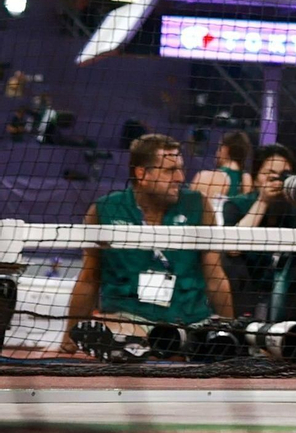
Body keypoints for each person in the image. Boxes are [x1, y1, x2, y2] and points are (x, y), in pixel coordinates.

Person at [59, 134, 233, 356]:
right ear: (141, 174)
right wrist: (68, 337)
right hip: (130, 319)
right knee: (116, 332)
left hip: (191, 321)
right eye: (169, 170)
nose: (180, 178)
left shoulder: (198, 205)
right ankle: (130, 346)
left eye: (181, 169)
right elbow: (89, 278)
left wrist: (229, 328)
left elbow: (214, 274)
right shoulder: (104, 210)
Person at [222, 144, 296, 323]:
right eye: (269, 174)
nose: (277, 180)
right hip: (248, 283)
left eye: (285, 174)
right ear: (255, 179)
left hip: (289, 291)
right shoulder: (237, 205)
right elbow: (232, 249)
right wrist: (262, 201)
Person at [191, 130, 253, 218]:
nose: (217, 152)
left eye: (218, 147)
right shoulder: (247, 179)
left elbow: (191, 211)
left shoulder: (206, 177)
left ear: (225, 149)